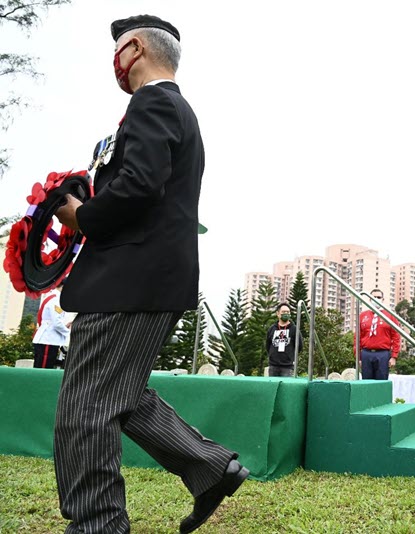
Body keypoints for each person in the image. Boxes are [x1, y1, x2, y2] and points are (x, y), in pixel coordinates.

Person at [53, 16, 247, 533]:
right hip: (150, 276)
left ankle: (98, 525)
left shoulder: (154, 101)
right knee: (121, 392)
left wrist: (81, 216)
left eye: (116, 50)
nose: (114, 62)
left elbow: (140, 184)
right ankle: (209, 468)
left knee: (87, 407)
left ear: (134, 49)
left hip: (129, 278)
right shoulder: (174, 108)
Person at [355, 288, 400, 380]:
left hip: (383, 354)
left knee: (381, 383)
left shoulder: (390, 316)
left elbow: (396, 336)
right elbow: (357, 337)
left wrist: (394, 356)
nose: (376, 299)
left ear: (383, 299)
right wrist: (358, 357)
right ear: (370, 299)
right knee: (366, 383)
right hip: (366, 353)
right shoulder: (363, 316)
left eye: (378, 297)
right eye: (373, 297)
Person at [32, 285, 70, 369]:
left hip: (48, 339)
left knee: (42, 368)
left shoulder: (53, 297)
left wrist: (64, 327)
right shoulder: (56, 300)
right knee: (43, 371)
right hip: (48, 340)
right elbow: (56, 323)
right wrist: (69, 333)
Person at [266, 302, 303, 377]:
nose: (286, 314)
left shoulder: (294, 329)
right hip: (273, 366)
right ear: (278, 313)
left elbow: (299, 346)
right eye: (283, 312)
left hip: (288, 367)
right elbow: (267, 345)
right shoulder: (272, 329)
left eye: (288, 312)